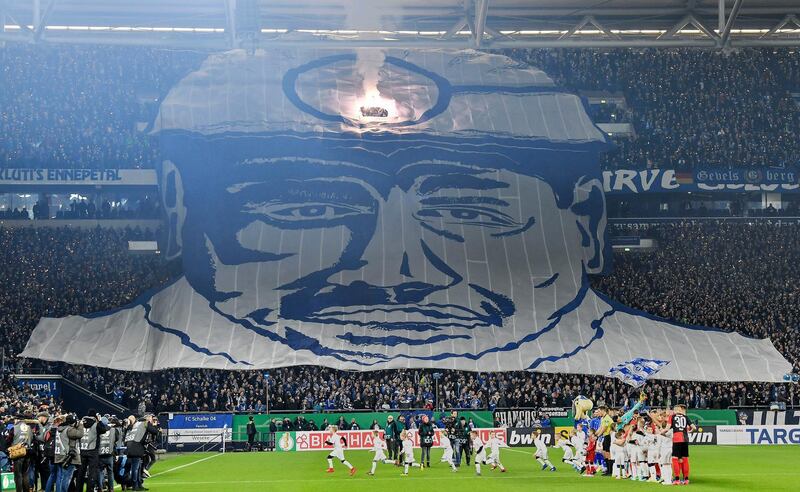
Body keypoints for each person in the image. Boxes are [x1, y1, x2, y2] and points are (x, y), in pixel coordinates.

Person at [76, 410, 109, 492]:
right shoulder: (96, 424)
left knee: (80, 473)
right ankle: (89, 489)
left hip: (82, 450)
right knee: (92, 472)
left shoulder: (81, 424)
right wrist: (99, 420)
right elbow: (104, 430)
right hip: (92, 451)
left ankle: (78, 489)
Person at [124, 415, 159, 491]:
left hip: (129, 447)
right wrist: (155, 425)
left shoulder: (133, 425)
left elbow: (125, 437)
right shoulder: (145, 423)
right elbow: (155, 432)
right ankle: (135, 486)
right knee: (135, 468)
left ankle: (138, 484)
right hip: (136, 448)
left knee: (138, 468)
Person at [54, 414, 84, 492]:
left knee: (60, 478)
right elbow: (80, 434)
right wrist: (80, 425)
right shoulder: (69, 429)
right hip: (67, 458)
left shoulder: (59, 428)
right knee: (66, 478)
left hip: (59, 455)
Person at [667, 404, 695, 485]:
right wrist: (689, 431)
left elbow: (667, 428)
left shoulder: (672, 416)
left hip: (677, 439)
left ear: (675, 410)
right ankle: (686, 479)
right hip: (685, 440)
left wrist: (662, 432)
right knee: (684, 459)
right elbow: (694, 427)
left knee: (675, 458)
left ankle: (677, 479)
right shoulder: (685, 417)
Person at [9, 413, 34, 492]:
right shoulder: (29, 428)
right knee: (25, 474)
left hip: (17, 453)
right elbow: (32, 438)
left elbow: (9, 439)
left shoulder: (14, 428)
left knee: (18, 475)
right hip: (27, 452)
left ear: (17, 419)